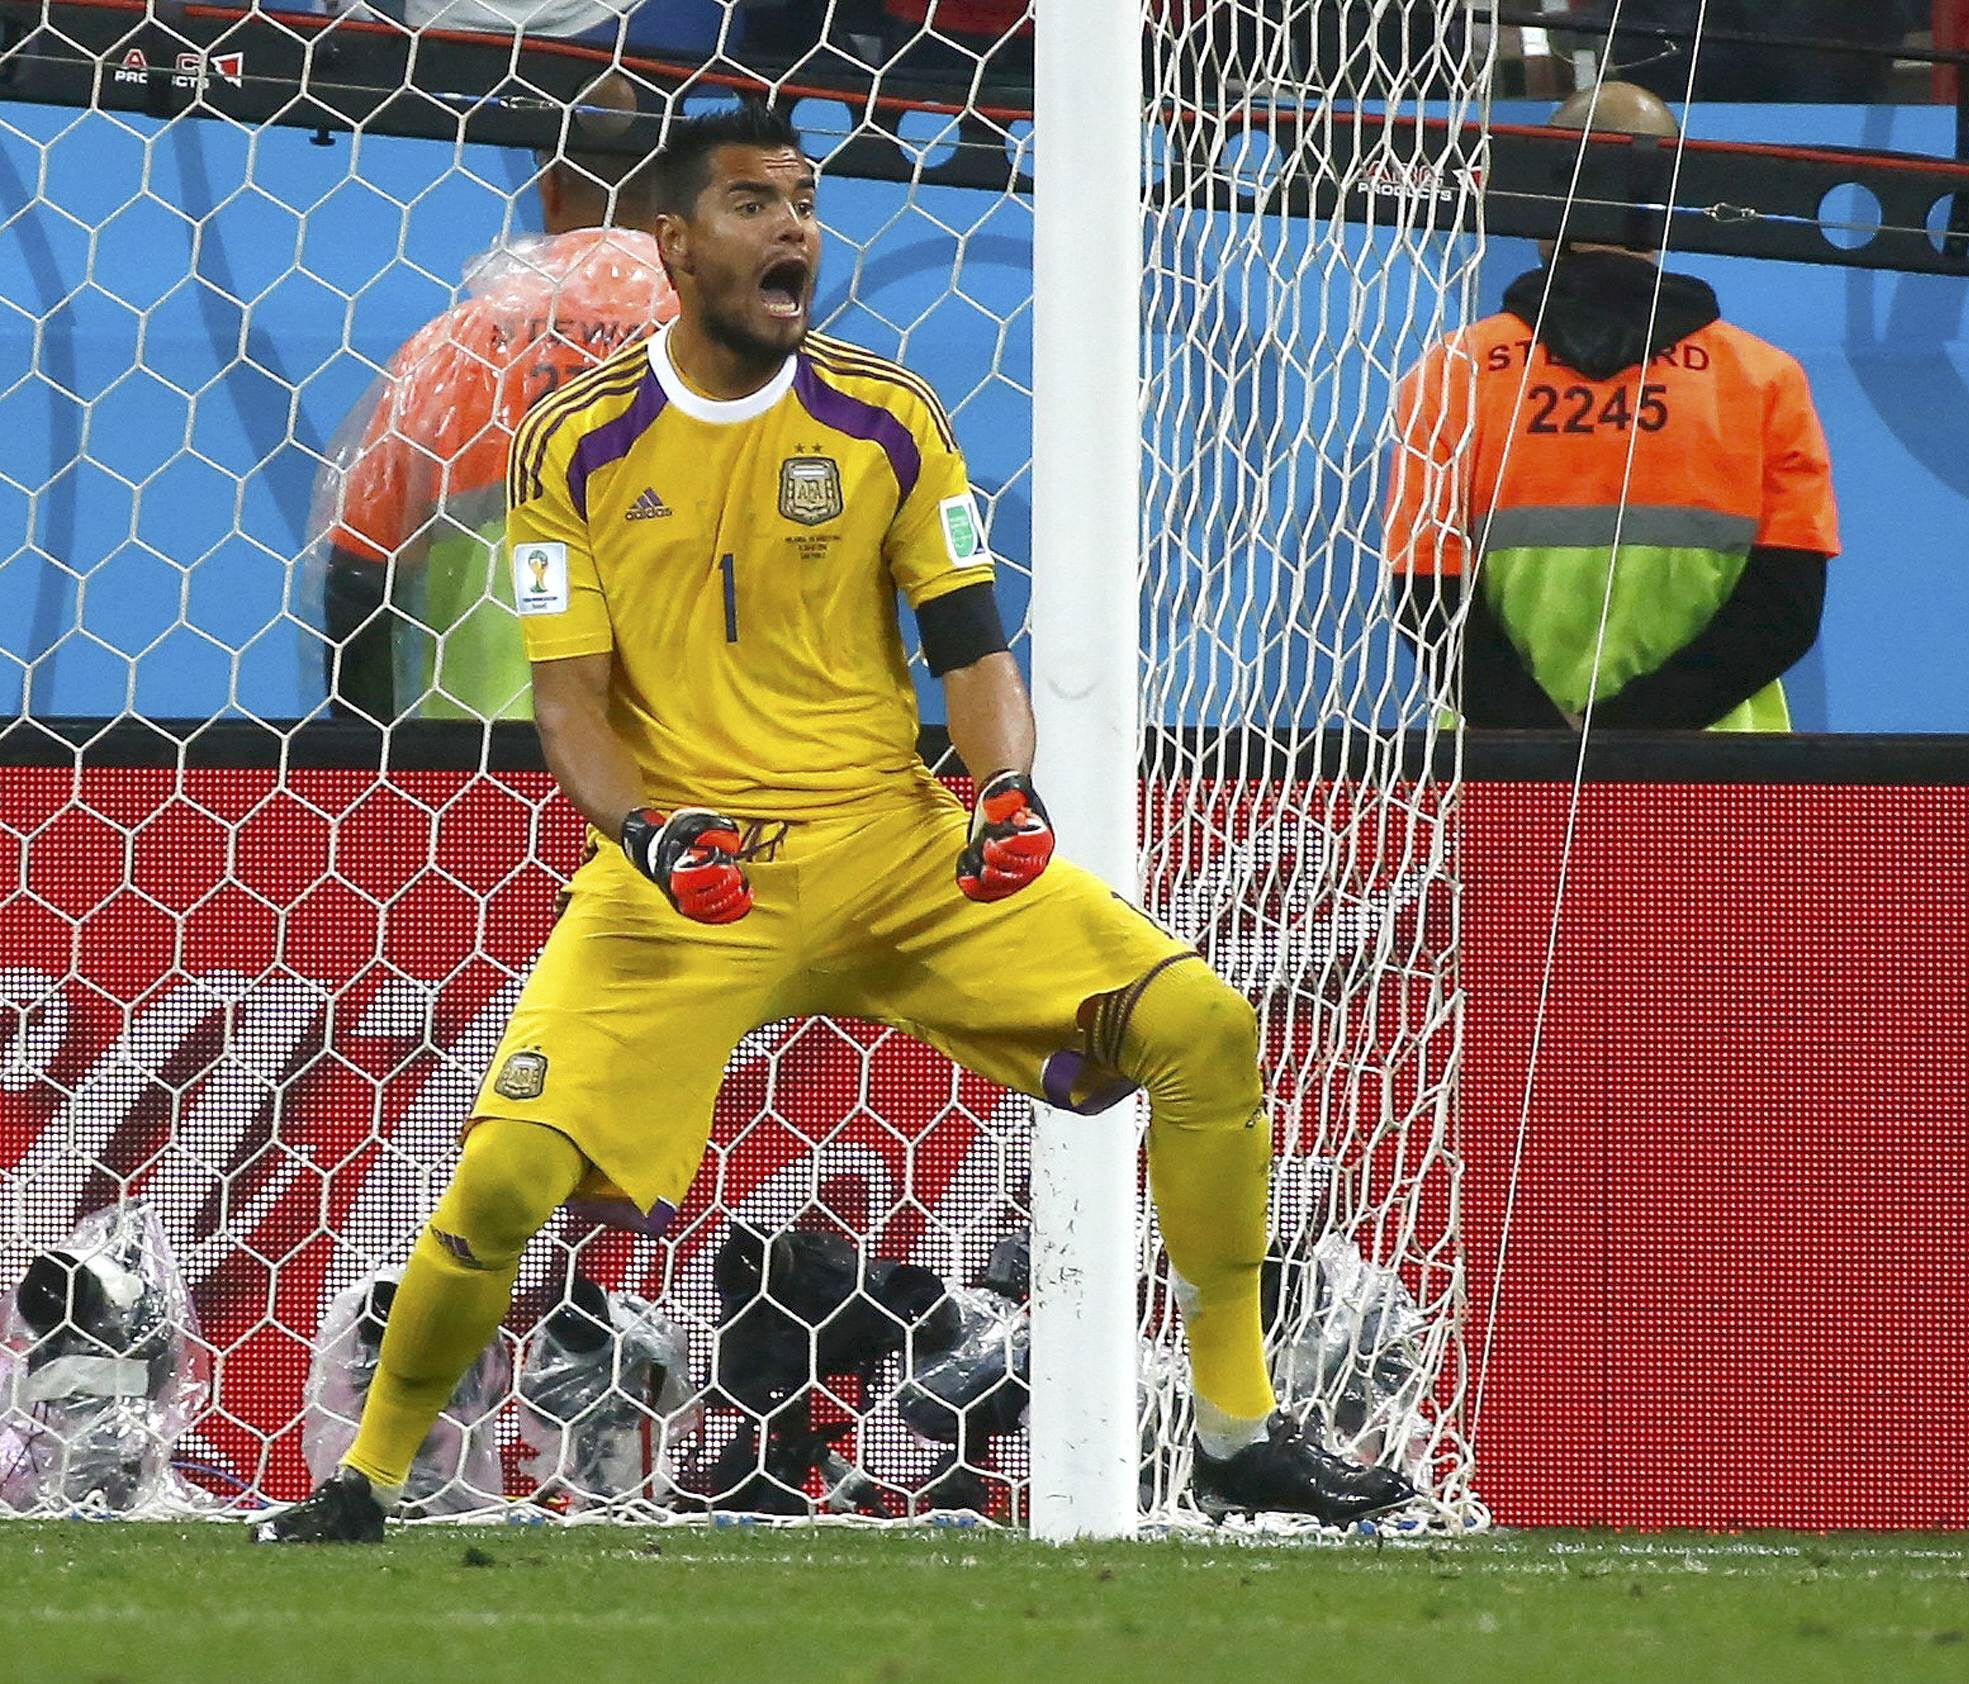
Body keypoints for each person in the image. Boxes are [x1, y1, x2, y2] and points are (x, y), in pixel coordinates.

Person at [262, 101, 1413, 1542]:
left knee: (1203, 1031)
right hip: (688, 875)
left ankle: (1237, 1431)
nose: (795, 225)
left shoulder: (887, 419)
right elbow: (571, 710)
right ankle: (364, 1482)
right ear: (675, 245)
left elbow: (975, 655)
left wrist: (1001, 790)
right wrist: (651, 836)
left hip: (891, 849)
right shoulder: (575, 443)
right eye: (755, 203)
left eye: (805, 199)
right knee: (502, 1179)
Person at [1386, 82, 1838, 732]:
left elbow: (1426, 599)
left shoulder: (1455, 372)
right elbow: (1785, 609)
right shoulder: (1766, 379)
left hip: (1501, 774)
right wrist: (1631, 736)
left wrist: (1542, 743)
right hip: (1713, 775)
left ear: (1545, 201)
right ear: (1669, 205)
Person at [321, 75, 674, 722]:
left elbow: (356, 580)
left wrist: (365, 762)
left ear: (548, 188)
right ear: (678, 202)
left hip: (482, 776)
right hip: (695, 775)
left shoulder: (450, 348)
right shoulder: (728, 346)